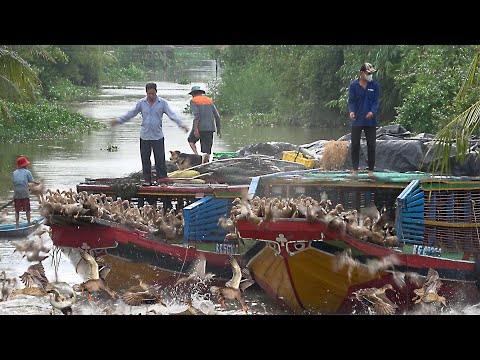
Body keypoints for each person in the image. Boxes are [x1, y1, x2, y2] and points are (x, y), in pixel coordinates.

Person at [111, 82, 189, 186]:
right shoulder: (141, 103)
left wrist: (182, 125)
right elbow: (131, 113)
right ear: (146, 93)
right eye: (149, 94)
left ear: (156, 92)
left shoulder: (162, 103)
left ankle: (162, 181)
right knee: (145, 159)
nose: (151, 96)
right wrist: (118, 120)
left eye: (153, 93)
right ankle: (147, 180)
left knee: (160, 159)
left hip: (157, 136)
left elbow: (172, 115)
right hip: (145, 136)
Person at [348, 62, 379, 177]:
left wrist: (372, 111)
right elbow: (351, 101)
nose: (369, 75)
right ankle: (355, 169)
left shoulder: (374, 85)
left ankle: (370, 170)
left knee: (371, 145)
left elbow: (376, 101)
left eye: (371, 73)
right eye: (367, 73)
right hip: (357, 120)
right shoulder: (353, 85)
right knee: (355, 144)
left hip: (370, 121)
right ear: (361, 73)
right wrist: (351, 112)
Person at [187, 85, 221, 162]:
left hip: (200, 127)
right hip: (210, 128)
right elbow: (217, 116)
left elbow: (197, 116)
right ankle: (206, 162)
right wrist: (218, 129)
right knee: (207, 149)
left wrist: (196, 130)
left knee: (191, 140)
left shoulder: (193, 100)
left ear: (193, 94)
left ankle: (197, 157)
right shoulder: (209, 100)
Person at [12, 156, 34, 228]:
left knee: (17, 211)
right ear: (25, 165)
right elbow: (31, 181)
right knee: (27, 210)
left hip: (16, 194)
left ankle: (17, 225)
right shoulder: (27, 172)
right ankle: (28, 223)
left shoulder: (14, 173)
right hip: (25, 193)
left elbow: (14, 183)